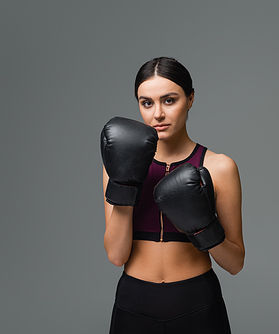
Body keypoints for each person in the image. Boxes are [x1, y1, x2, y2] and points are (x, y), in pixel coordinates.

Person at [101, 57, 244, 334]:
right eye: (147, 103)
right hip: (134, 302)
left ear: (190, 99)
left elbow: (235, 263)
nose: (158, 114)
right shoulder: (117, 164)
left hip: (198, 303)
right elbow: (117, 256)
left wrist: (204, 229)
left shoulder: (219, 167)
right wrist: (125, 184)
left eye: (169, 100)